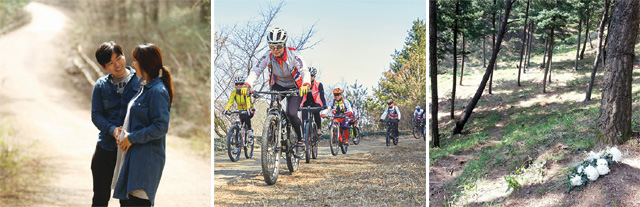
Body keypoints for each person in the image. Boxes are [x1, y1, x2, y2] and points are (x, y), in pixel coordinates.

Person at [113, 43, 174, 206]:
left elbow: (161, 126)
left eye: (135, 60)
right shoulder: (144, 88)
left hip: (144, 164)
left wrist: (131, 137)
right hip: (131, 161)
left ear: (145, 63)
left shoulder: (157, 91)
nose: (132, 64)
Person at [242, 27, 311, 158]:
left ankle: (301, 141)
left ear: (284, 45)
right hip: (278, 85)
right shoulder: (267, 55)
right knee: (272, 108)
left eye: (278, 46)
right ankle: (272, 134)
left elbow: (304, 71)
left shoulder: (294, 55)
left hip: (295, 87)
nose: (275, 50)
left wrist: (306, 84)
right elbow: (256, 70)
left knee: (291, 113)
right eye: (272, 47)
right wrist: (247, 84)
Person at [91, 41, 141, 207]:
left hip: (131, 151)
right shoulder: (100, 86)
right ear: (104, 66)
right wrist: (113, 130)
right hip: (106, 148)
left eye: (118, 58)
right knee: (100, 198)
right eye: (110, 63)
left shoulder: (140, 82)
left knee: (127, 200)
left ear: (123, 56)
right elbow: (96, 115)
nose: (116, 65)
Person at [222, 76, 256, 141]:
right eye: (237, 84)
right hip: (240, 111)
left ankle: (249, 130)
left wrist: (248, 109)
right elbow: (230, 102)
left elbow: (248, 101)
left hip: (249, 110)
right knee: (238, 127)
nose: (238, 85)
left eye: (240, 84)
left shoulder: (246, 91)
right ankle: (238, 146)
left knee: (246, 116)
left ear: (243, 84)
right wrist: (226, 109)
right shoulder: (234, 93)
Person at [300, 67, 327, 136]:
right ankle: (304, 135)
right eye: (308, 76)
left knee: (316, 112)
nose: (310, 78)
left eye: (311, 76)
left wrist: (324, 104)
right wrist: (298, 105)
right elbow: (300, 96)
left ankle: (318, 128)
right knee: (304, 118)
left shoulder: (318, 84)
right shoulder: (303, 85)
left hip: (315, 103)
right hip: (306, 103)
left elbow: (322, 95)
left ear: (314, 77)